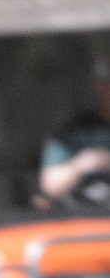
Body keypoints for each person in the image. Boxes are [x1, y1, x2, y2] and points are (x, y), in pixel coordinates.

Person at [39, 57, 110, 204]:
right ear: (99, 87)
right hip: (86, 215)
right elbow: (50, 185)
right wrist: (82, 164)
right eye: (106, 85)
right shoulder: (75, 131)